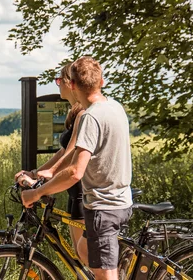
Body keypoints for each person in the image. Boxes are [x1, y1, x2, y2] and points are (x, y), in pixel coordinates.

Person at [21, 56, 133, 280]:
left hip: (104, 206)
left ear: (72, 85)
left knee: (105, 275)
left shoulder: (91, 117)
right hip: (120, 201)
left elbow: (75, 172)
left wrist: (37, 192)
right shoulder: (115, 107)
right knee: (97, 267)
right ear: (101, 82)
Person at [14, 63, 89, 263]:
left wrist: (49, 173)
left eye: (58, 81)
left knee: (86, 258)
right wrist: (35, 172)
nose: (57, 85)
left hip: (81, 188)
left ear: (69, 83)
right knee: (80, 257)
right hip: (75, 191)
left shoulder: (83, 115)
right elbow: (63, 151)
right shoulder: (76, 113)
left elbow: (73, 151)